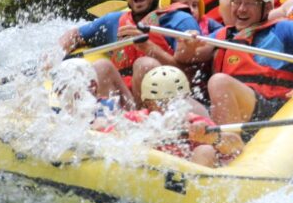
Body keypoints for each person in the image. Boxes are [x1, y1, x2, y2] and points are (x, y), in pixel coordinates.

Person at [58, 0, 200, 109]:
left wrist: (148, 48)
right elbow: (75, 34)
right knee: (101, 66)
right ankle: (106, 123)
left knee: (144, 64)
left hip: (162, 105)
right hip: (126, 103)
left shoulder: (180, 20)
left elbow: (190, 76)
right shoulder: (113, 21)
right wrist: (56, 54)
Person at [94, 66, 242, 167]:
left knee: (206, 151)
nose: (169, 107)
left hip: (181, 182)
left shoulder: (195, 122)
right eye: (160, 103)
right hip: (146, 175)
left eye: (174, 101)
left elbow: (236, 146)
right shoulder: (137, 120)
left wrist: (212, 138)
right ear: (148, 104)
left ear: (185, 100)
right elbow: (102, 129)